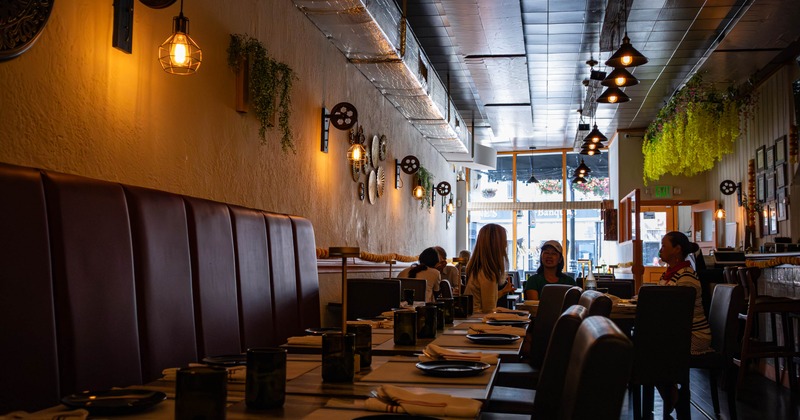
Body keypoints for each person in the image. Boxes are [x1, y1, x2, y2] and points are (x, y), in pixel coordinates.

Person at [657, 231, 712, 355]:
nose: (661, 250)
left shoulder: (686, 276)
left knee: (648, 344)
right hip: (681, 331)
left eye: (664, 246)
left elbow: (679, 312)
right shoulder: (669, 274)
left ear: (677, 249)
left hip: (694, 335)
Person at [462, 224, 515, 313]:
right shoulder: (488, 273)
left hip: (474, 320)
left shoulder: (481, 270)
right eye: (504, 240)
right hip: (478, 322)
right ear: (496, 245)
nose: (506, 244)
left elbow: (486, 299)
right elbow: (489, 310)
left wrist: (503, 291)